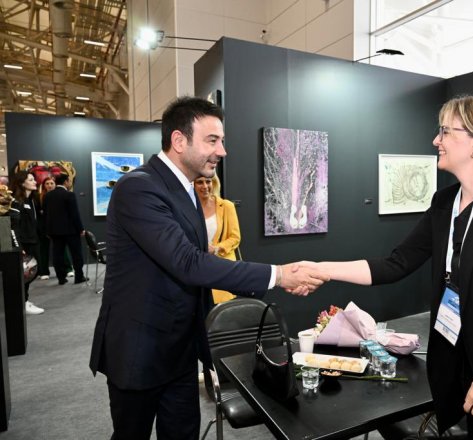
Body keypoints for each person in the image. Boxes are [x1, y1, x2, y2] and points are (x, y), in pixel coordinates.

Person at [302, 96, 473, 438]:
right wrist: (321, 269)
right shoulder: (444, 201)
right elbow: (396, 264)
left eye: (445, 131)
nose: (436, 140)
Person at [89, 96, 328, 440]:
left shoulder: (186, 190)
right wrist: (278, 275)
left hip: (181, 349)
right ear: (179, 140)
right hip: (140, 349)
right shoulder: (138, 188)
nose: (222, 151)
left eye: (222, 141)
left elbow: (200, 263)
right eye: (212, 140)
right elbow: (188, 262)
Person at [194, 173, 240, 303]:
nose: (205, 186)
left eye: (208, 181)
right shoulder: (187, 207)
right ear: (192, 184)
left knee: (221, 312)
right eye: (200, 182)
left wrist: (216, 248)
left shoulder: (226, 206)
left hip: (221, 268)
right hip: (195, 268)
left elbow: (235, 237)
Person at [9, 171, 45, 315]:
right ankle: (22, 303)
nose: (35, 182)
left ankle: (24, 300)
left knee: (32, 274)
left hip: (33, 241)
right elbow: (13, 226)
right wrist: (18, 247)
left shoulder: (31, 201)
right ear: (22, 183)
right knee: (24, 275)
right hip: (24, 244)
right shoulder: (16, 201)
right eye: (31, 180)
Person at [43, 173, 87, 285]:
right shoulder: (69, 195)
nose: (70, 183)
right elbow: (75, 214)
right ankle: (79, 277)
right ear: (66, 182)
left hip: (55, 231)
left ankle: (61, 278)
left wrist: (48, 230)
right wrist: (81, 228)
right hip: (71, 231)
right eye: (69, 181)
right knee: (76, 254)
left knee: (58, 255)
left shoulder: (48, 196)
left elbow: (46, 215)